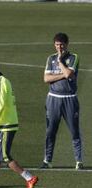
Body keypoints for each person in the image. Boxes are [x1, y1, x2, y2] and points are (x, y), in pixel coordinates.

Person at [0, 62, 38, 188]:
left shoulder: (1, 82)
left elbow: (1, 106)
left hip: (6, 125)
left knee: (4, 156)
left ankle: (29, 177)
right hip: (1, 124)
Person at [41, 32, 83, 170]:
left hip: (69, 99)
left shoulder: (73, 57)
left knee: (74, 131)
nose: (59, 47)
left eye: (62, 45)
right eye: (57, 44)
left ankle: (79, 161)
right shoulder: (50, 58)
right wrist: (61, 75)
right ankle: (47, 160)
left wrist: (60, 62)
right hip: (53, 98)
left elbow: (68, 74)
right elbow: (46, 79)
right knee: (50, 131)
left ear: (67, 44)